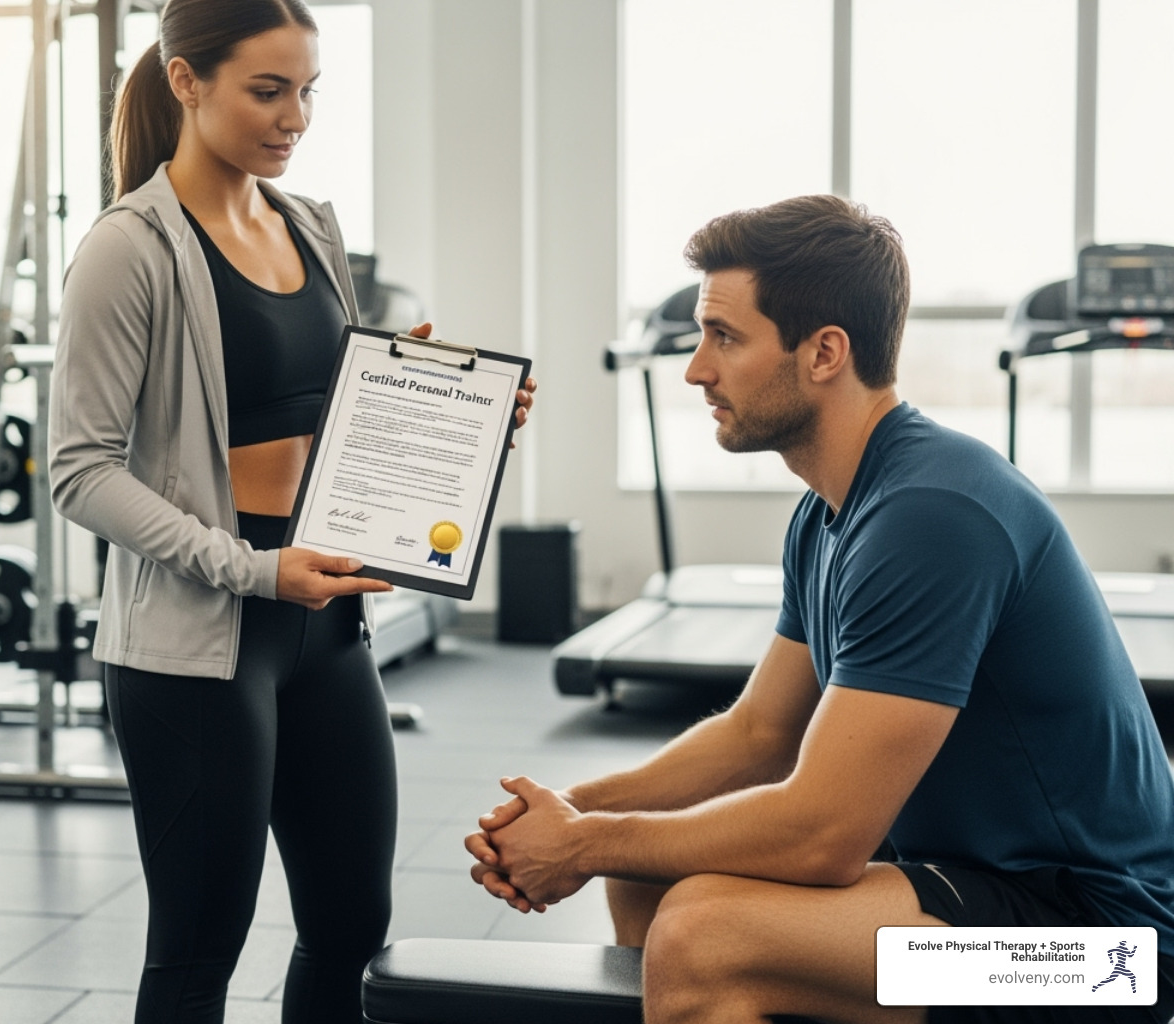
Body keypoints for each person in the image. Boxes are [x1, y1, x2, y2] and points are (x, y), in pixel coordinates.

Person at [464, 194, 1174, 1023]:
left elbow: (823, 835)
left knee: (707, 937)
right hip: (988, 895)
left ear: (825, 352)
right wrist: (580, 809)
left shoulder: (932, 515)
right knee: (647, 856)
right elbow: (759, 735)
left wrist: (582, 844)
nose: (697, 369)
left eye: (725, 338)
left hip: (1096, 956)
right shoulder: (833, 511)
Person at [50, 2, 533, 1021]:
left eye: (308, 90)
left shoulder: (309, 223)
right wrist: (255, 569)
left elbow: (337, 428)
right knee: (197, 951)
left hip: (327, 624)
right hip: (195, 646)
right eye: (268, 90)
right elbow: (80, 471)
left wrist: (461, 417)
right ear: (186, 82)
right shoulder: (126, 249)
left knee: (352, 926)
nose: (296, 116)